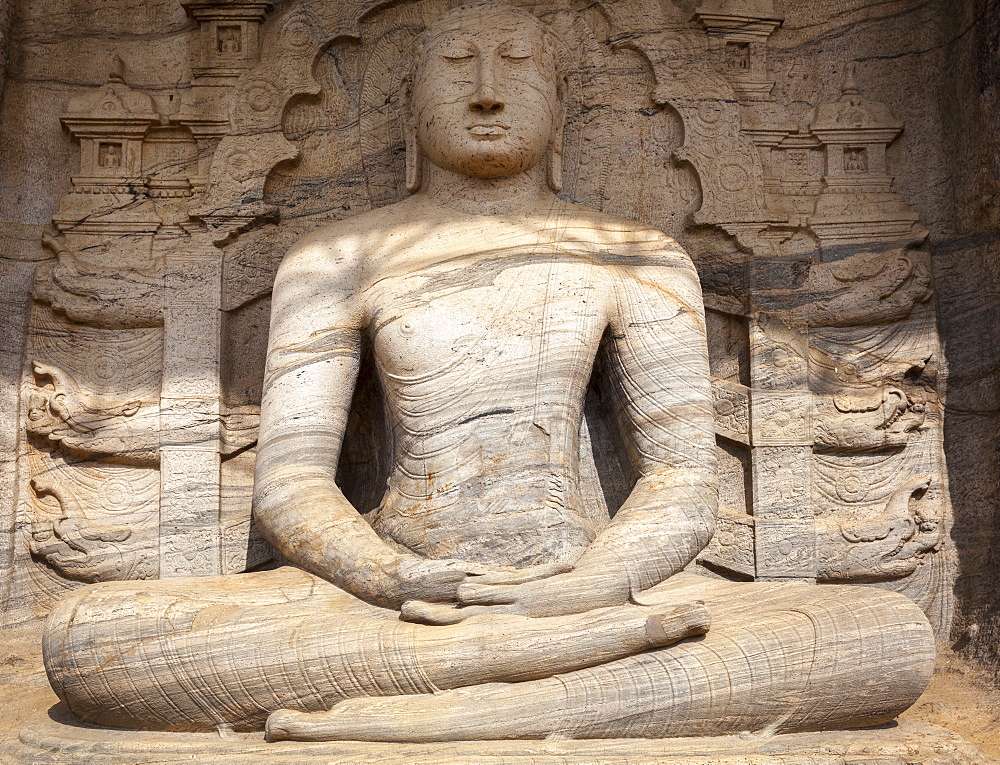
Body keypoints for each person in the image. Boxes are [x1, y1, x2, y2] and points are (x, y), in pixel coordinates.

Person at [42, 1, 934, 742]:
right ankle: (536, 684)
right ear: (408, 108)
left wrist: (587, 586)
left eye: (515, 64)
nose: (485, 92)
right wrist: (392, 576)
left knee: (880, 636)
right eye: (457, 65)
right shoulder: (337, 256)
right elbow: (291, 487)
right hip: (391, 605)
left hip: (589, 590)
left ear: (561, 102)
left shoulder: (636, 257)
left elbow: (680, 482)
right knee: (91, 642)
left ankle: (439, 698)